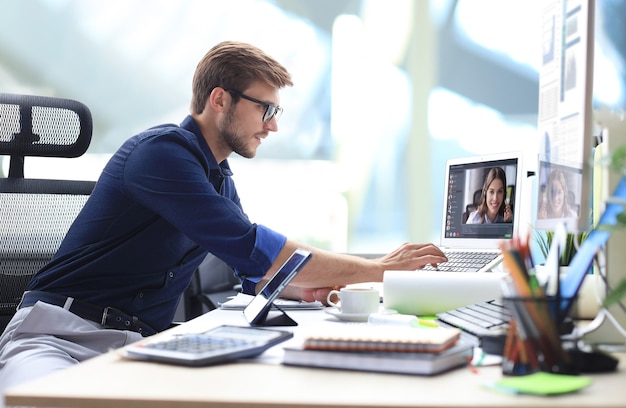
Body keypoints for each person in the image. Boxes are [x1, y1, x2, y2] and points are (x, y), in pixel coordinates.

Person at [0, 41, 446, 397]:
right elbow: (257, 248)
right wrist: (379, 269)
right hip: (59, 339)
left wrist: (305, 286)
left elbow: (255, 271)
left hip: (136, 348)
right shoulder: (162, 154)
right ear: (220, 99)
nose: (272, 126)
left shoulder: (218, 178)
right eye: (266, 109)